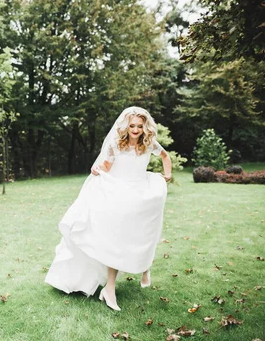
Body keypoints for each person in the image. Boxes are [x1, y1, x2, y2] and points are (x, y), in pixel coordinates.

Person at [45, 106, 172, 311]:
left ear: (144, 127)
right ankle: (109, 288)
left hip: (141, 191)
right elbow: (106, 166)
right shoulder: (117, 144)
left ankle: (144, 267)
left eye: (139, 126)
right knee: (117, 238)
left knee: (143, 231)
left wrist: (167, 175)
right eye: (132, 126)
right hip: (120, 192)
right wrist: (97, 169)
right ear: (126, 126)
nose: (136, 129)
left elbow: (165, 156)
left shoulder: (149, 144)